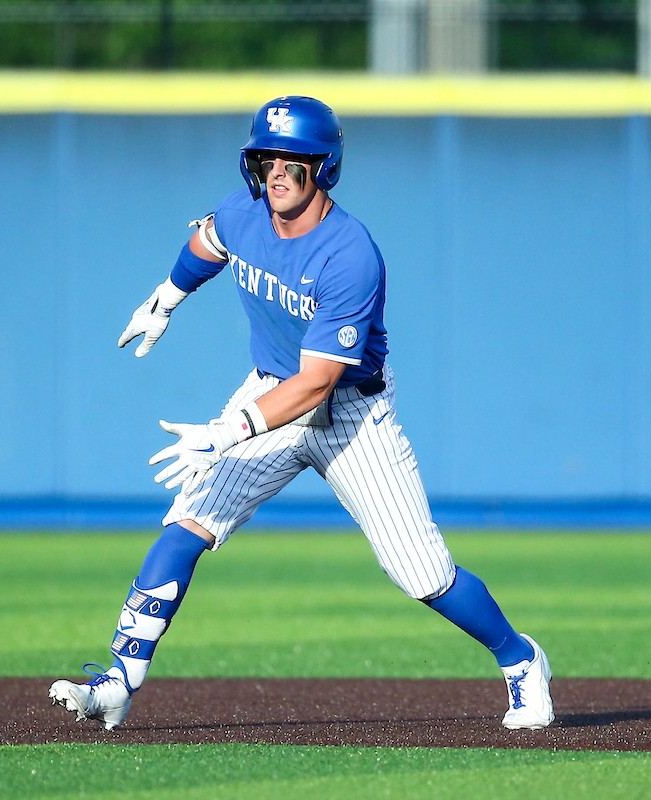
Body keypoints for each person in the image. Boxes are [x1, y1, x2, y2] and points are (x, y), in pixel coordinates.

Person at [49, 96, 553, 732]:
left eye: (295, 159)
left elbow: (317, 385)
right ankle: (120, 681)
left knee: (423, 574)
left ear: (325, 167)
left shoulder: (350, 254)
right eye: (266, 158)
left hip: (350, 414)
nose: (278, 172)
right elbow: (209, 238)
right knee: (187, 523)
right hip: (269, 389)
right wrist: (168, 296)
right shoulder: (246, 211)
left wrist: (224, 432)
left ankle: (521, 660)